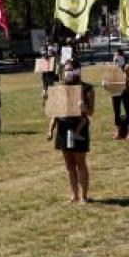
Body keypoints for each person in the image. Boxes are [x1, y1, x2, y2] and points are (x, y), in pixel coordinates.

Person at [50, 58, 94, 202]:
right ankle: (74, 195)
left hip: (79, 128)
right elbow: (54, 110)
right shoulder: (60, 87)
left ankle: (84, 196)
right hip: (63, 127)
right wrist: (50, 130)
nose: (68, 72)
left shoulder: (87, 88)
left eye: (70, 69)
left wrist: (84, 107)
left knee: (80, 163)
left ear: (77, 70)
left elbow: (91, 111)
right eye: (66, 69)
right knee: (69, 165)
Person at [110, 48, 129, 139]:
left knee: (128, 111)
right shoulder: (113, 66)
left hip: (124, 90)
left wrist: (124, 73)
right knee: (116, 112)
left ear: (122, 56)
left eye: (117, 55)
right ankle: (118, 131)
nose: (115, 57)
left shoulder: (127, 66)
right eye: (114, 55)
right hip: (115, 91)